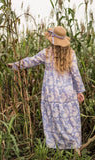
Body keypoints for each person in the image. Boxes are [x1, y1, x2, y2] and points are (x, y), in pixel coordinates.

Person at [7, 26, 85, 156]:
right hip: (68, 92)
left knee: (54, 118)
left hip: (51, 93)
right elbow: (75, 73)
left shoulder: (47, 52)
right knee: (71, 119)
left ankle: (58, 149)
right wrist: (79, 91)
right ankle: (75, 148)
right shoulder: (71, 53)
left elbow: (31, 61)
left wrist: (15, 65)